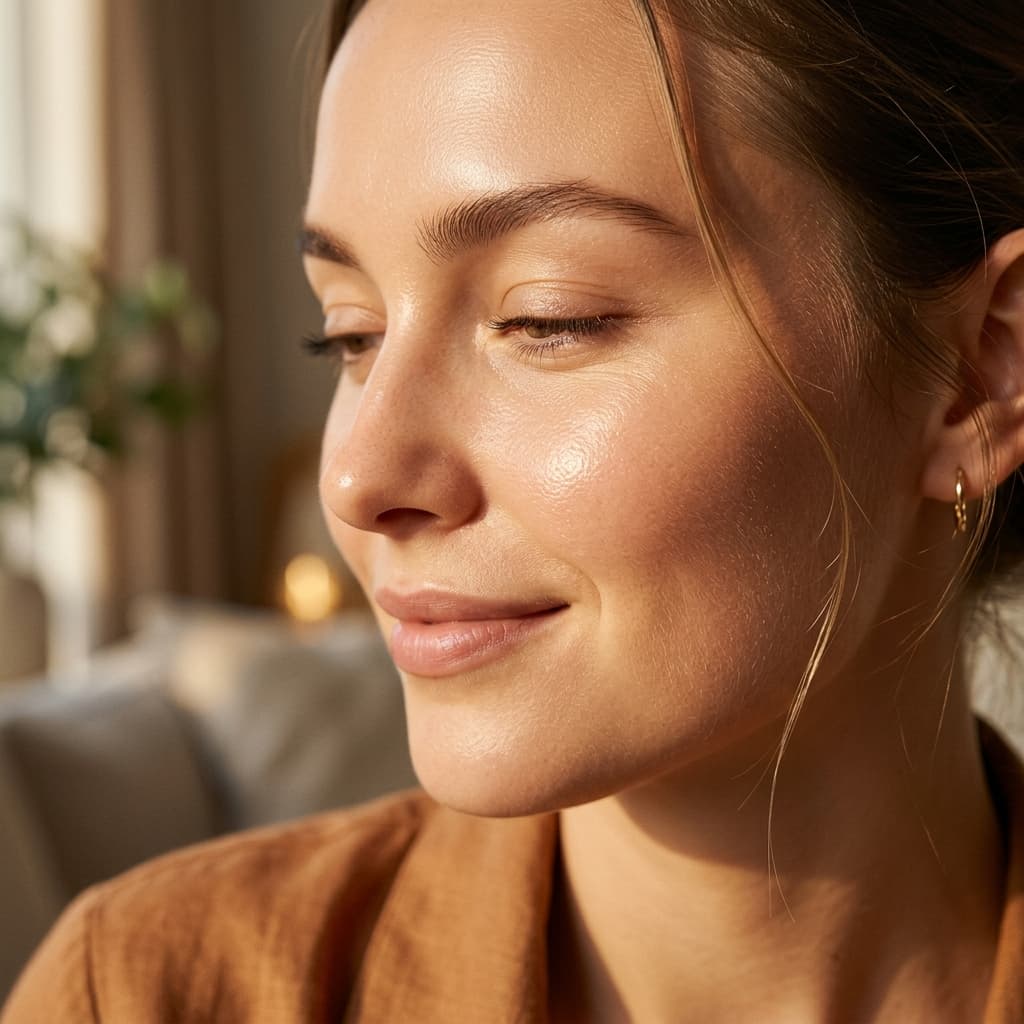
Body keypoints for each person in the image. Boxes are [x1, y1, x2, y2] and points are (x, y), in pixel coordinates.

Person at [5, 0, 1024, 1020]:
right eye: (350, 333)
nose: (357, 477)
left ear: (979, 372)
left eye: (548, 317)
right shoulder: (145, 992)